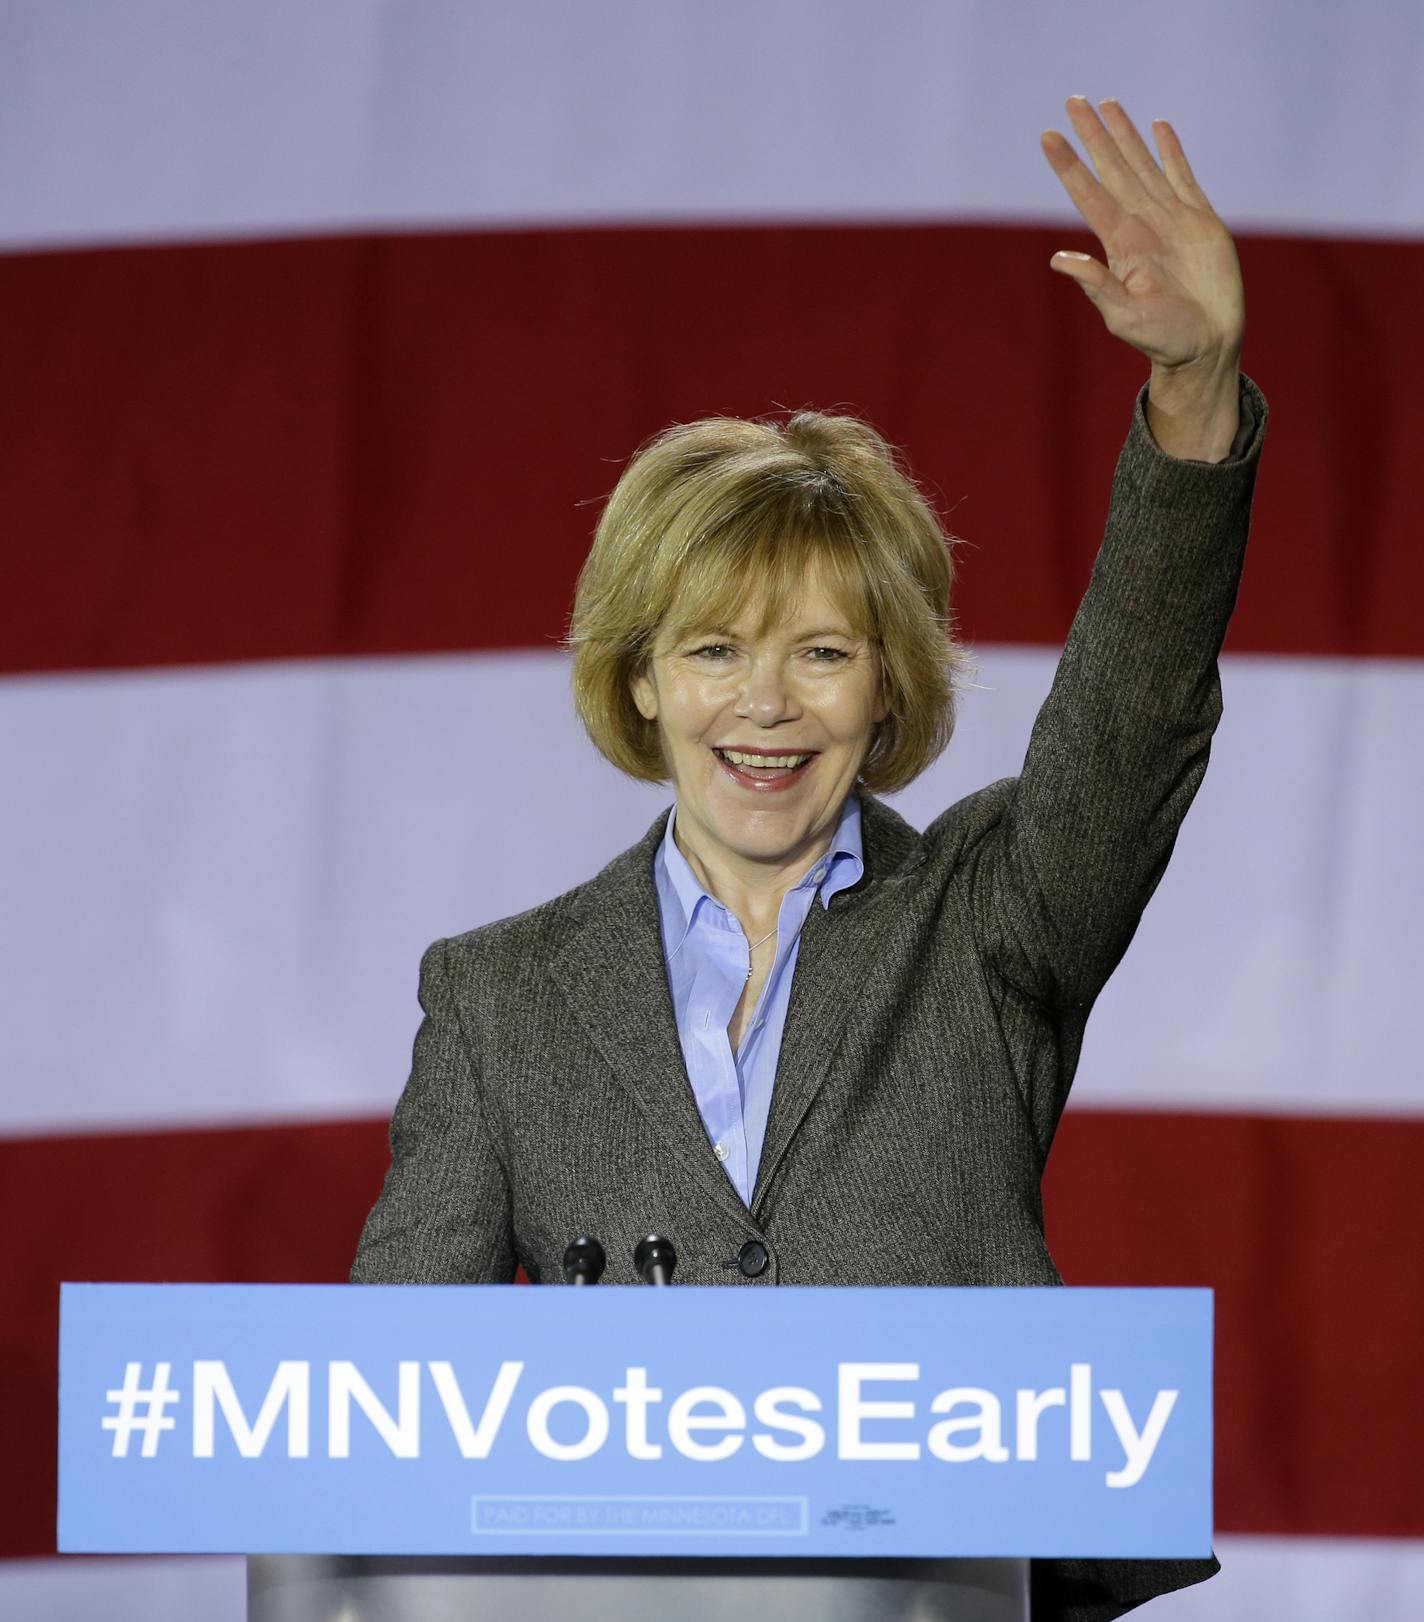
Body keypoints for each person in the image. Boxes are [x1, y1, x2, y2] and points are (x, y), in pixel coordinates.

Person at [351, 96, 1267, 1621]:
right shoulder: (499, 1000)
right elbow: (378, 1420)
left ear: (888, 684)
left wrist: (1195, 380)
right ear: (638, 678)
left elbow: (1134, 710)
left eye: (823, 651)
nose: (764, 703)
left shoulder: (988, 924)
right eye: (713, 648)